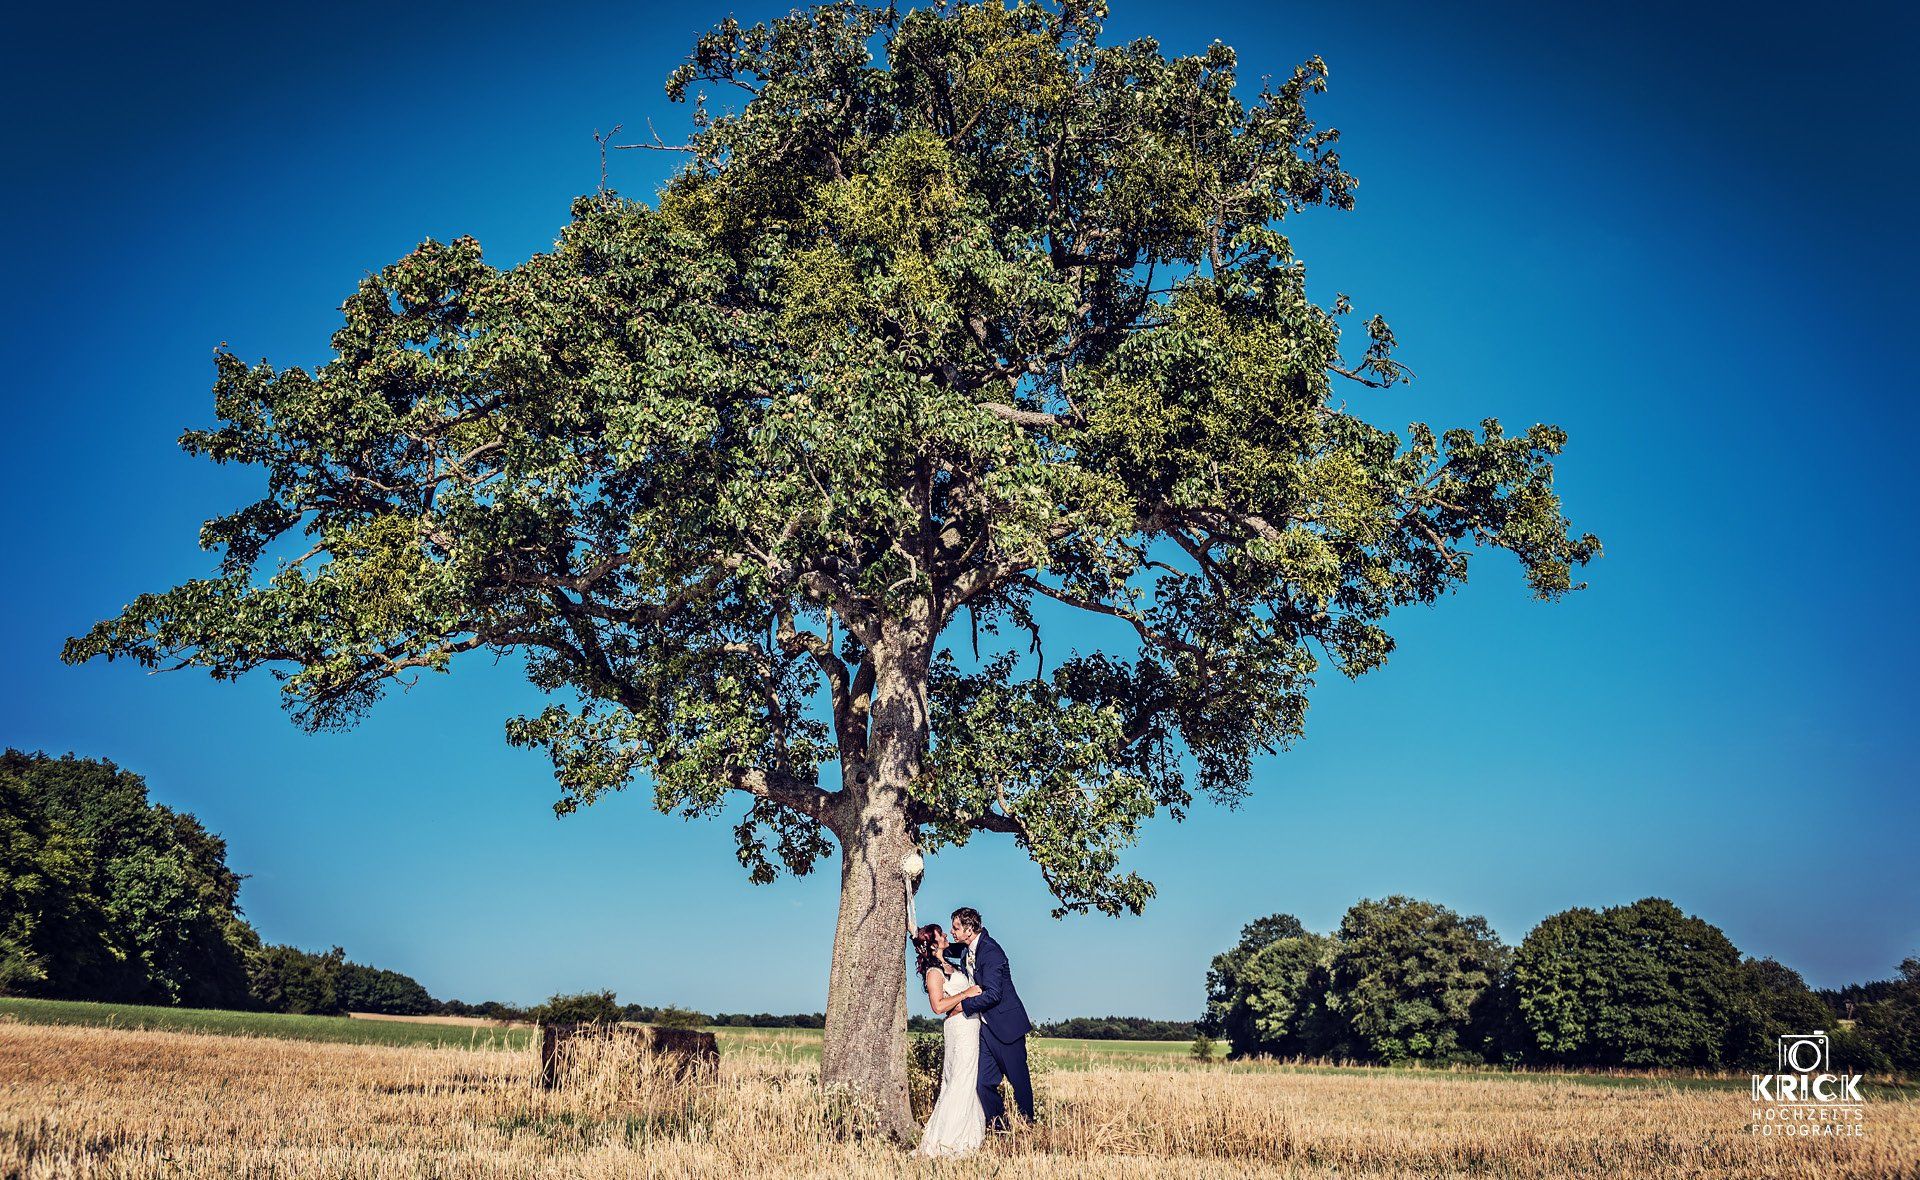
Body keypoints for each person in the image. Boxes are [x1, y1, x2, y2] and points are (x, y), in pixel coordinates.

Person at [943, 906, 1035, 1130]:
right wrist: (920, 935)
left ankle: (1029, 1127)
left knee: (1019, 1082)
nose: (952, 932)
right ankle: (999, 1128)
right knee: (983, 1082)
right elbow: (947, 949)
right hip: (985, 1029)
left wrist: (961, 1005)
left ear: (969, 929)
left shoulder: (991, 952)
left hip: (1007, 1027)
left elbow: (994, 994)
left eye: (956, 928)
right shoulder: (967, 948)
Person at [909, 923, 985, 1158]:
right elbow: (938, 1006)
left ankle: (968, 1135)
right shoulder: (934, 973)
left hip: (971, 1026)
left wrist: (915, 929)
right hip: (958, 1028)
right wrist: (967, 993)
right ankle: (949, 1139)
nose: (945, 936)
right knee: (958, 1079)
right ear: (932, 944)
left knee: (968, 1078)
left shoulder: (951, 964)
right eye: (941, 934)